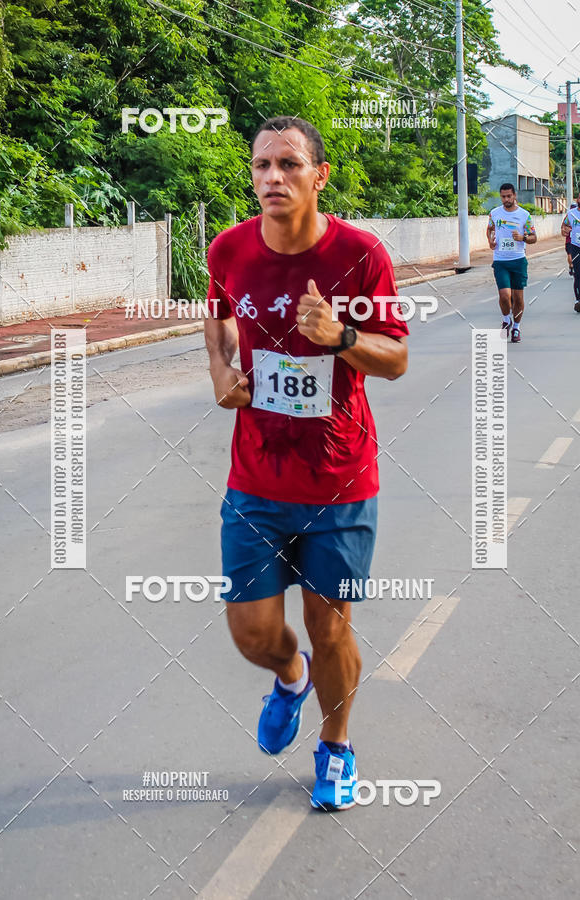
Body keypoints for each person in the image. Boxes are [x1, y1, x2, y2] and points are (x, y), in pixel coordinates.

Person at [204, 116, 408, 811]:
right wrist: (219, 366)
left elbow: (397, 359)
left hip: (339, 481)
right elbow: (221, 315)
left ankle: (337, 748)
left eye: (289, 165)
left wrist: (341, 335)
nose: (272, 178)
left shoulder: (360, 255)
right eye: (262, 166)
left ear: (319, 176)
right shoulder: (229, 248)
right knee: (251, 632)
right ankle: (289, 678)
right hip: (255, 480)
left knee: (332, 628)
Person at [487, 183, 537, 343]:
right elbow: (490, 229)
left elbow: (533, 237)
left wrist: (522, 238)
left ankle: (516, 327)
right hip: (500, 260)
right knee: (504, 296)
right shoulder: (494, 213)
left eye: (509, 196)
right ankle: (506, 319)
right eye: (503, 196)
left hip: (518, 260)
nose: (506, 199)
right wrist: (490, 241)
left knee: (518, 297)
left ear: (514, 195)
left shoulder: (524, 215)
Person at [561, 194, 580, 312]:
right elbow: (564, 228)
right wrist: (565, 230)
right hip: (576, 247)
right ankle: (578, 300)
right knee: (578, 274)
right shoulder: (571, 214)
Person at [565, 202, 577, 277]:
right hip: (573, 240)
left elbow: (563, 228)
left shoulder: (568, 216)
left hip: (569, 240)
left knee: (570, 254)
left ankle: (571, 266)